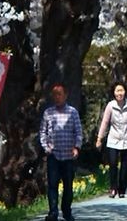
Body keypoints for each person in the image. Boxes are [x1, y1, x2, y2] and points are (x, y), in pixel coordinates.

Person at [40, 83, 83, 221]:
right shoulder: (48, 113)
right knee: (52, 185)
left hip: (68, 155)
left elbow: (78, 132)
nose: (57, 97)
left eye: (59, 94)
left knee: (68, 186)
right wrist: (46, 147)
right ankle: (53, 212)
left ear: (65, 95)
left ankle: (66, 211)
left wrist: (77, 147)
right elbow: (43, 132)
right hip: (54, 155)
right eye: (55, 94)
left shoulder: (72, 112)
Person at [95, 81, 127, 198]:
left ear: (125, 92)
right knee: (113, 164)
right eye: (117, 91)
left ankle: (122, 189)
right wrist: (99, 139)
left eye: (122, 90)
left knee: (125, 166)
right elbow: (105, 122)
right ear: (114, 93)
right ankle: (113, 187)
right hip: (113, 138)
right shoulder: (110, 106)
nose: (119, 93)